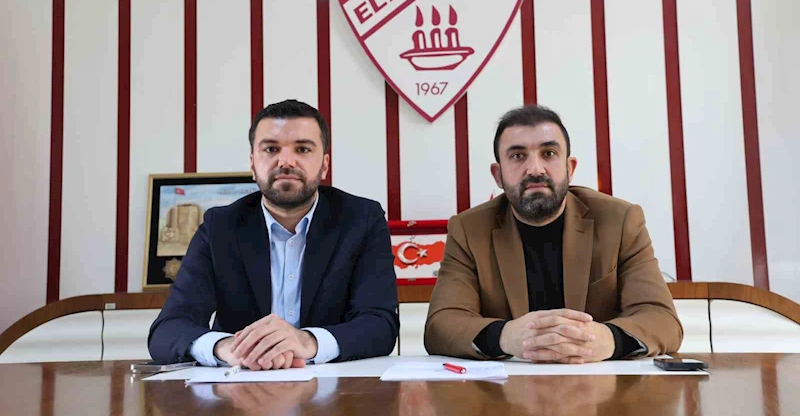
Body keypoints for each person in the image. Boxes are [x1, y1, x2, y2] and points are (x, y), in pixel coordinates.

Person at [149, 100, 399, 368]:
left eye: (303, 149)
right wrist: (228, 348)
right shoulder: (219, 227)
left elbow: (380, 324)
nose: (286, 161)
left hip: (337, 387)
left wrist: (308, 342)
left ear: (325, 165)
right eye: (271, 149)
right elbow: (168, 329)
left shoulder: (362, 219)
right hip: (241, 385)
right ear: (252, 164)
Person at [424, 104, 682, 362]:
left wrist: (607, 339)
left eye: (548, 153)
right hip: (508, 382)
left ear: (570, 168)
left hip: (598, 378)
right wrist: (506, 336)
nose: (535, 169)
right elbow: (441, 325)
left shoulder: (620, 221)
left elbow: (663, 320)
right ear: (498, 175)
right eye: (518, 156)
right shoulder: (468, 230)